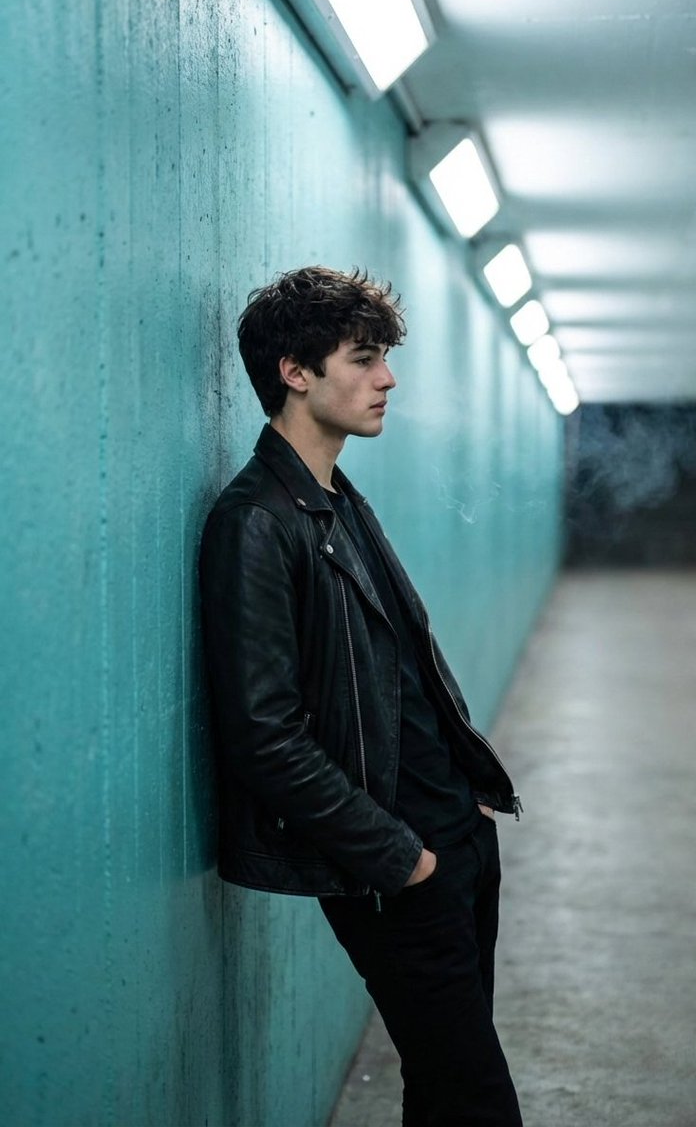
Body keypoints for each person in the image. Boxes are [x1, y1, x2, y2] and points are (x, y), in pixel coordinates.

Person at [199, 265, 523, 1126]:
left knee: (447, 1084)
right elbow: (264, 737)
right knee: (479, 1101)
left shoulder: (334, 499)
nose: (386, 379)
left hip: (450, 835)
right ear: (295, 373)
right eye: (363, 358)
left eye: (383, 358)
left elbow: (405, 669)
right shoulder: (256, 522)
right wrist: (400, 857)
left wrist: (465, 811)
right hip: (393, 865)